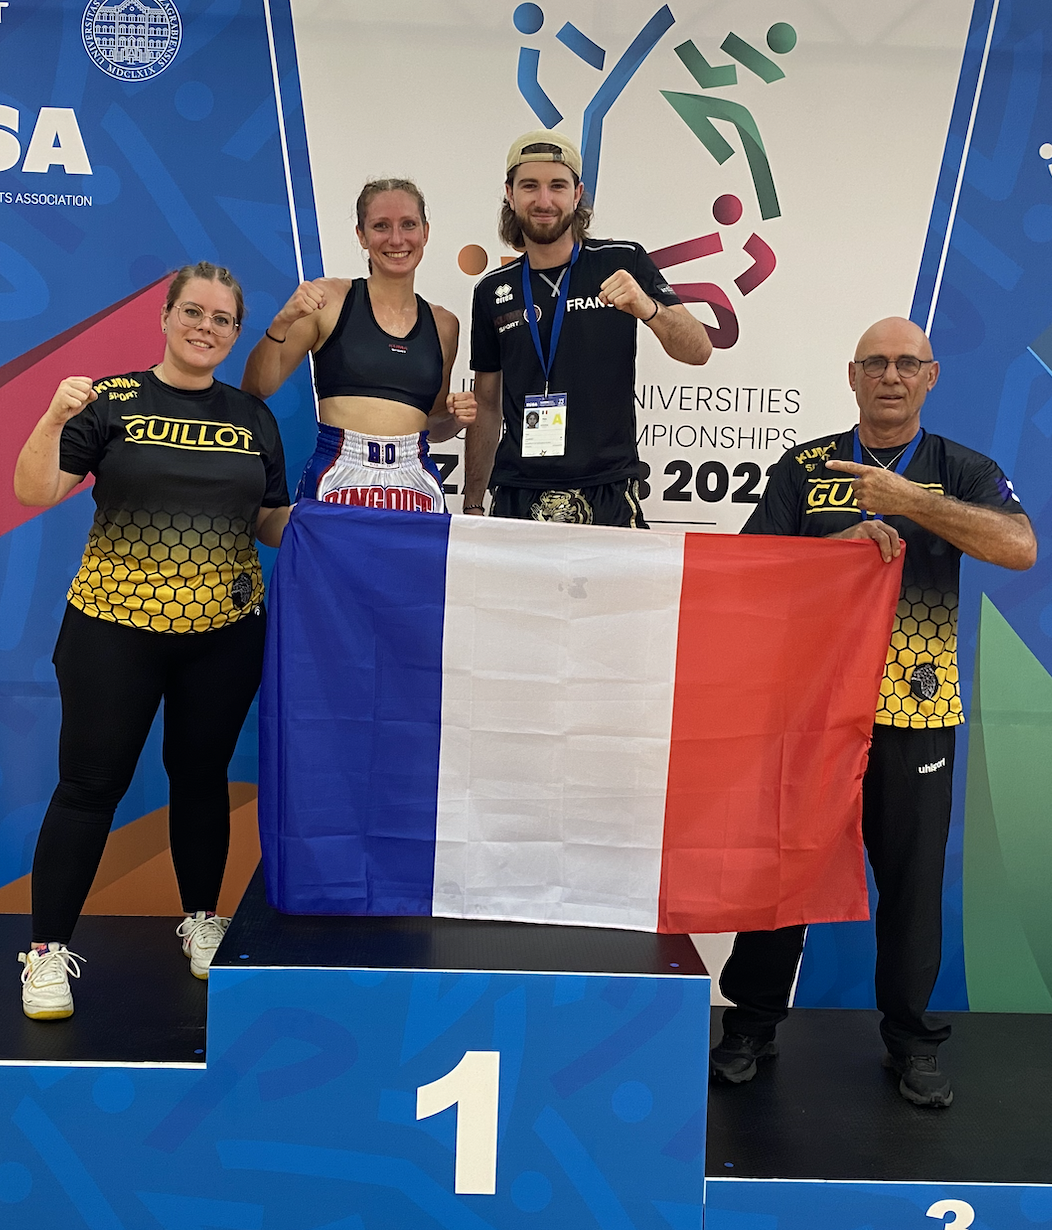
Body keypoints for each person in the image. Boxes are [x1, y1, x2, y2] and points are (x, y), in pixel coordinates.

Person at [710, 316, 1037, 1107]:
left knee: (913, 885)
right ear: (852, 376)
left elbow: (1019, 547)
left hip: (916, 712)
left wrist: (909, 502)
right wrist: (836, 552)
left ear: (931, 376)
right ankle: (750, 1025)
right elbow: (751, 572)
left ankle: (911, 1044)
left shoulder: (962, 468)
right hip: (812, 707)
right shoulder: (805, 467)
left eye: (907, 364)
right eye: (876, 363)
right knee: (785, 872)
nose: (891, 376)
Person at [13, 261, 291, 1019]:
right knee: (88, 786)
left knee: (201, 779)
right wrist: (52, 417)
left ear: (236, 333)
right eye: (193, 312)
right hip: (113, 628)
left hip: (224, 633)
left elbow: (270, 521)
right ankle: (45, 953)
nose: (206, 328)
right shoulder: (110, 399)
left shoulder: (251, 417)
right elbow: (35, 489)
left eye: (222, 319)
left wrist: (345, 522)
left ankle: (202, 919)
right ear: (166, 317)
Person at [463, 129, 712, 527]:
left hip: (607, 487)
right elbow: (487, 405)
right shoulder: (493, 290)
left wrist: (648, 308)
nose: (544, 200)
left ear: (577, 194)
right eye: (530, 186)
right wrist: (474, 503)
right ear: (510, 194)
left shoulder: (622, 261)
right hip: (517, 490)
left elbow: (698, 350)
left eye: (557, 186)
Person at [241, 178, 475, 511]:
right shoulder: (329, 300)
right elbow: (257, 389)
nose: (397, 239)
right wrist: (281, 323)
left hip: (416, 480)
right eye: (381, 226)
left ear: (425, 232)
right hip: (340, 470)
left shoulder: (444, 324)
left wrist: (456, 420)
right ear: (361, 235)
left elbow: (434, 425)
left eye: (408, 225)